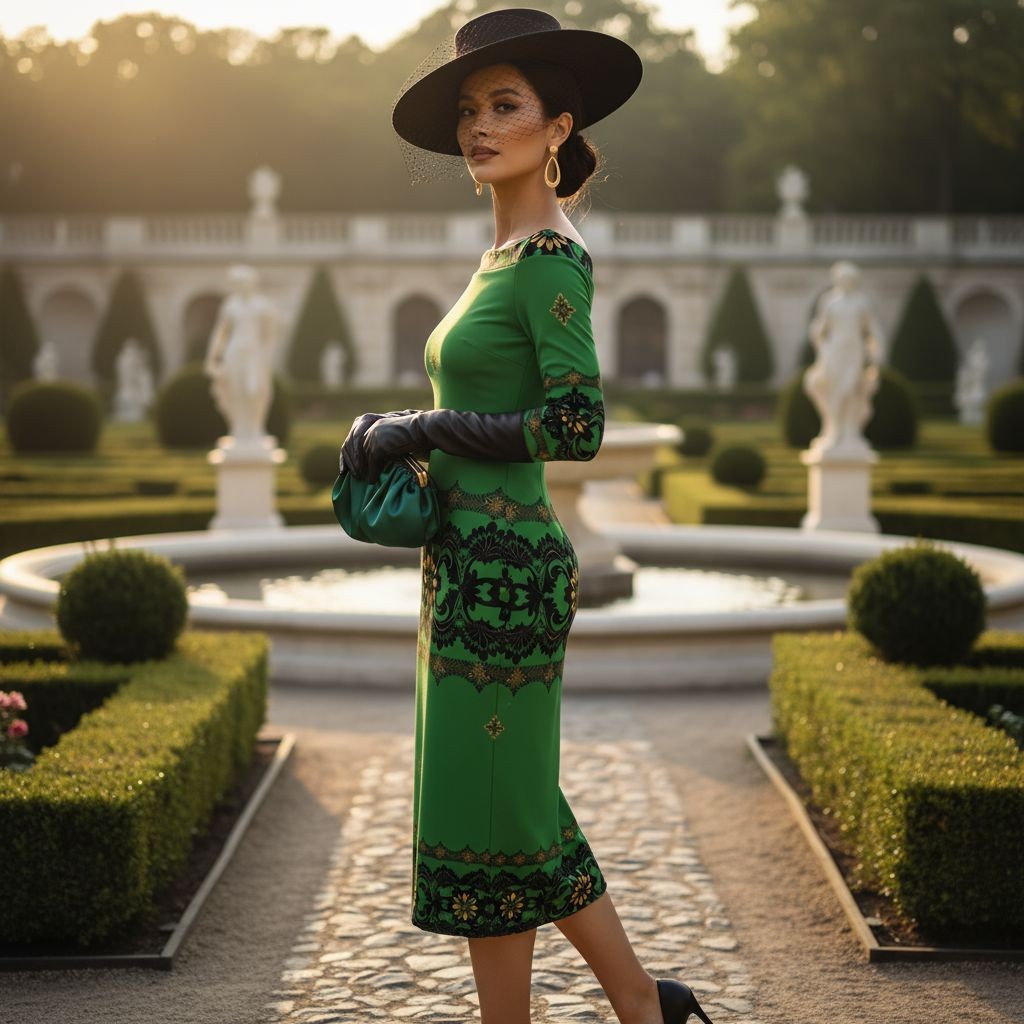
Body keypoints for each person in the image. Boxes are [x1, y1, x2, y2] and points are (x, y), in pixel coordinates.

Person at [340, 10, 715, 1024]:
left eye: (503, 106)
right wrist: (415, 434)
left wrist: (423, 425)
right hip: (462, 564)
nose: (478, 127)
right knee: (505, 800)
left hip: (507, 573)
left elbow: (576, 419)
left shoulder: (550, 254)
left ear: (558, 127)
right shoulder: (500, 254)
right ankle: (645, 1007)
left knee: (492, 815)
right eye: (469, 110)